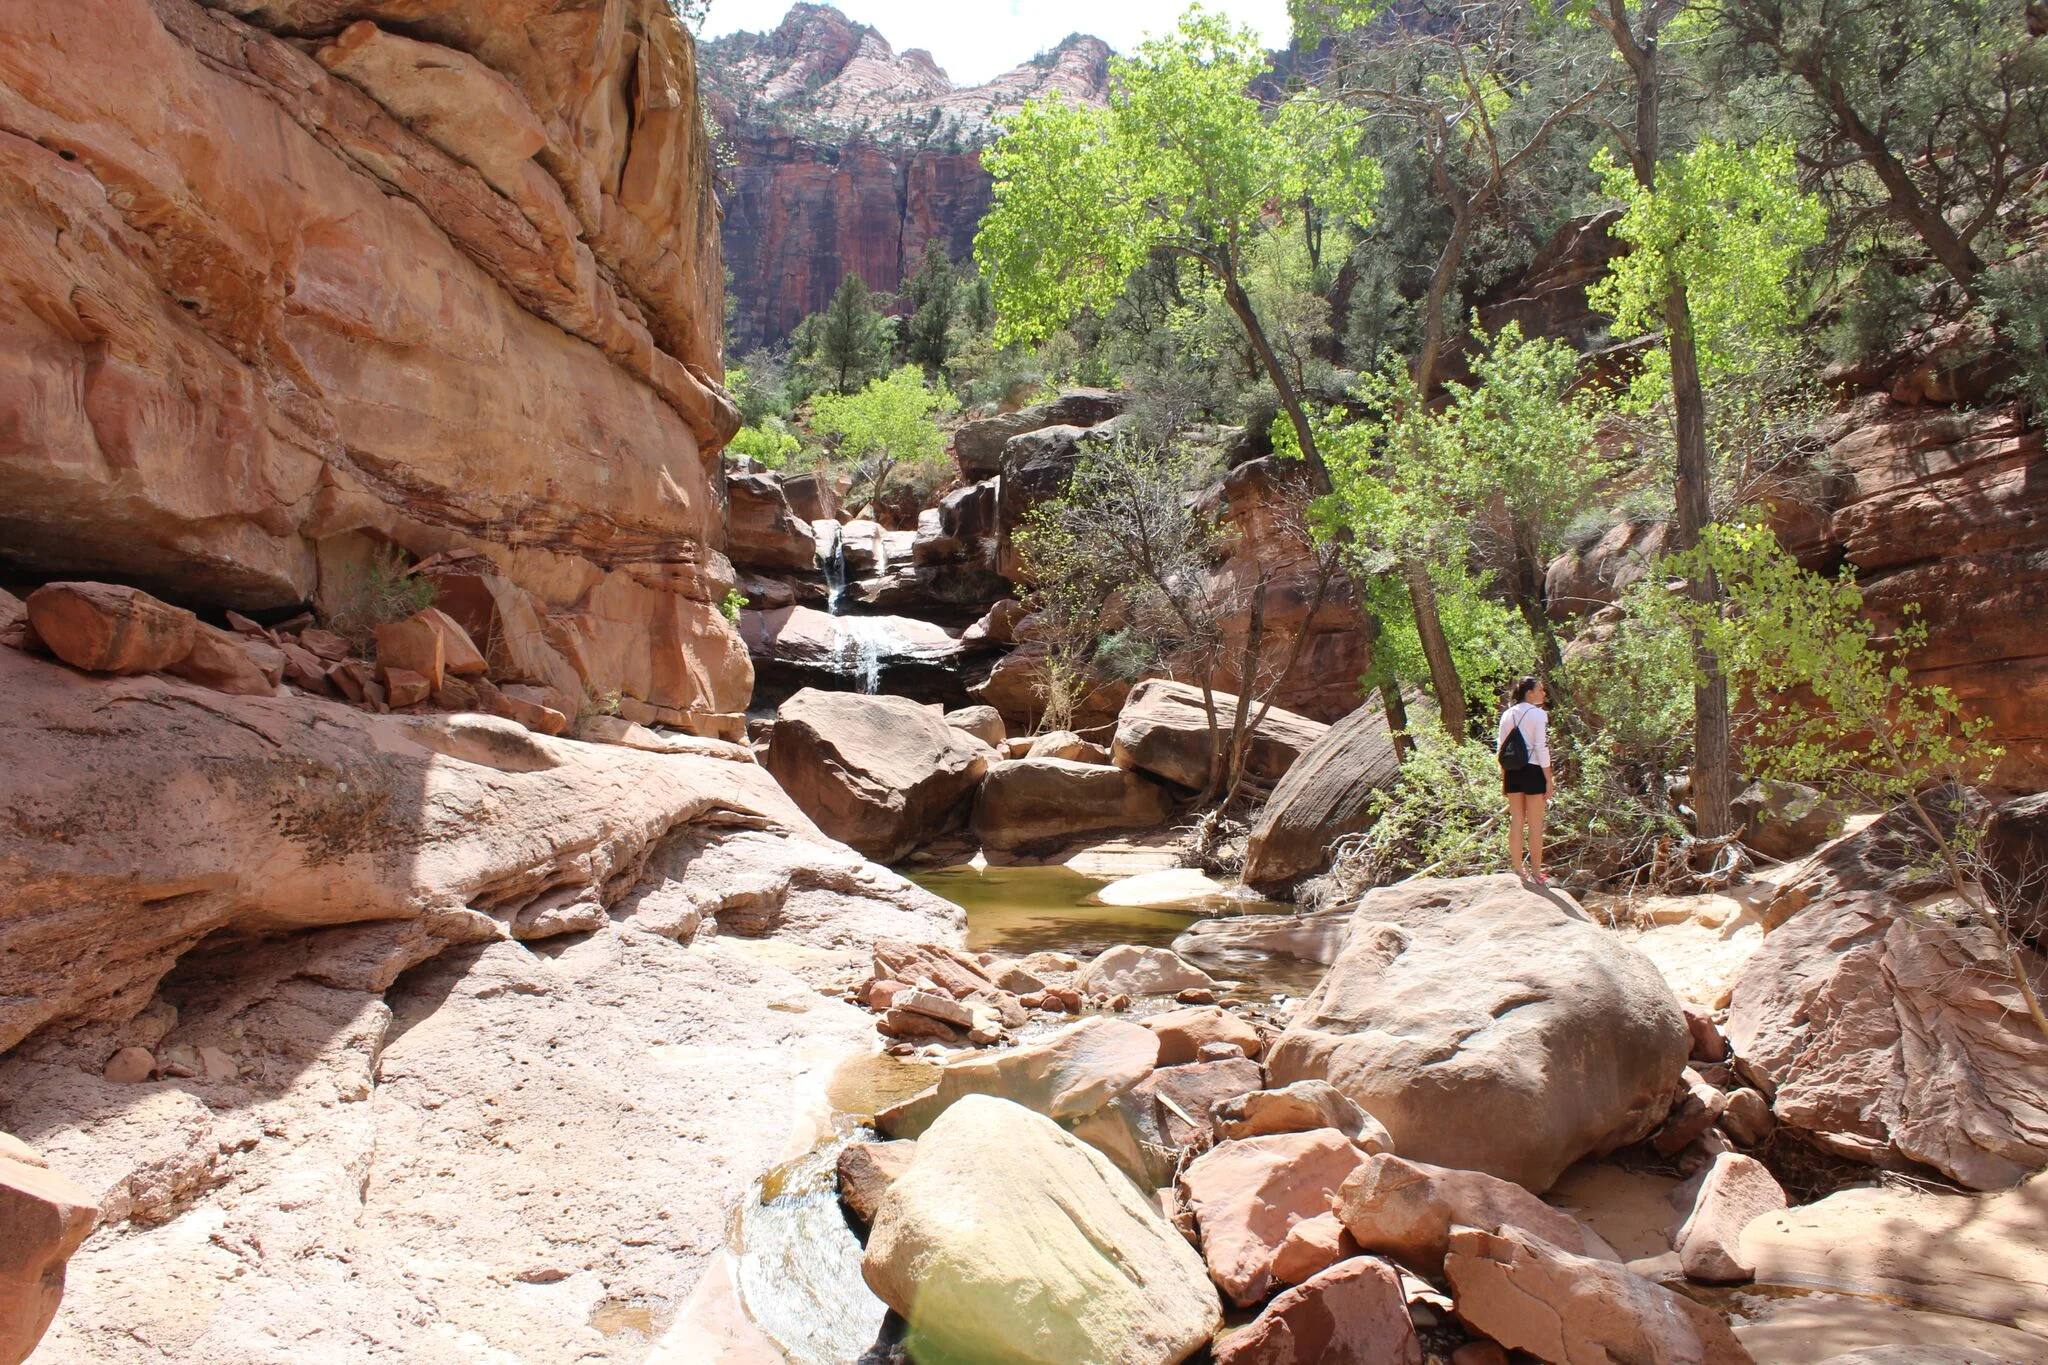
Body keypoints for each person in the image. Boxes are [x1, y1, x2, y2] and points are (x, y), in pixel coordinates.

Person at [1499, 675, 1552, 884]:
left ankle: (1518, 869)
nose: (1543, 693)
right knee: (1536, 824)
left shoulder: (1507, 714)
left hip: (1512, 772)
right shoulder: (1538, 715)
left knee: (1517, 820)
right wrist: (1548, 779)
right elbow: (1541, 747)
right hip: (1533, 770)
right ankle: (1537, 872)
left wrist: (1504, 777)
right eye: (1540, 689)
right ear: (1529, 693)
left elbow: (1501, 748)